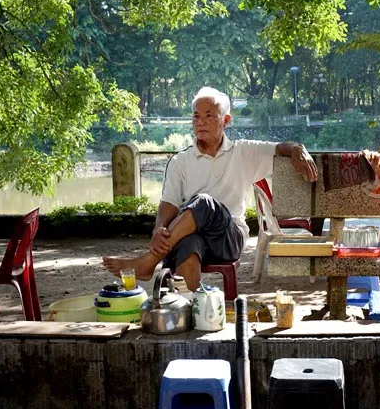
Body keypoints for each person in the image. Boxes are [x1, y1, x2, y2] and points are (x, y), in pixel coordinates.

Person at [102, 87, 317, 290]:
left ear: (226, 120)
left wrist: (298, 149)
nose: (201, 122)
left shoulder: (243, 152)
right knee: (189, 242)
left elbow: (281, 148)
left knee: (204, 202)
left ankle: (149, 261)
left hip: (228, 238)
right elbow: (169, 203)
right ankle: (190, 304)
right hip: (190, 236)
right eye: (196, 116)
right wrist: (158, 229)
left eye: (209, 115)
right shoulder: (180, 161)